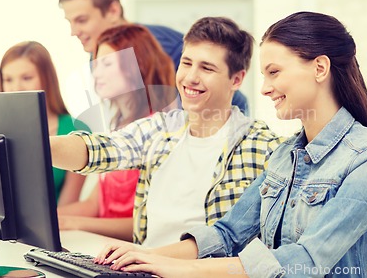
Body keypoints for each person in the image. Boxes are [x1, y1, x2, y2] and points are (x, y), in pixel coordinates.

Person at [96, 12, 367, 278]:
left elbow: (305, 261)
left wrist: (177, 269)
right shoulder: (286, 156)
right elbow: (227, 234)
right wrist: (149, 256)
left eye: (274, 72)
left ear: (320, 68)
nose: (265, 88)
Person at [49, 17, 283, 247]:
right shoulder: (160, 130)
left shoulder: (261, 147)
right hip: (142, 267)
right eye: (187, 63)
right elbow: (98, 149)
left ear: (237, 79)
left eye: (206, 68)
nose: (191, 77)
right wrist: (36, 146)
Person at [58, 0, 250, 115]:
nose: (74, 32)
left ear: (113, 11)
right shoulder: (96, 55)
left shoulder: (164, 47)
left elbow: (235, 101)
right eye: (70, 22)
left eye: (82, 20)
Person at [57, 24, 177, 241]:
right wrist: (49, 218)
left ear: (137, 65)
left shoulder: (161, 132)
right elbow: (95, 204)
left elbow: (149, 224)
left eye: (107, 63)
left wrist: (73, 223)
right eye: (96, 64)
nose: (96, 73)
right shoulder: (118, 130)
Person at [0, 41, 89, 215]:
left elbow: (65, 209)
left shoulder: (76, 129)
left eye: (26, 78)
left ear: (47, 79)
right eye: (8, 79)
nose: (15, 88)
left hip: (51, 234)